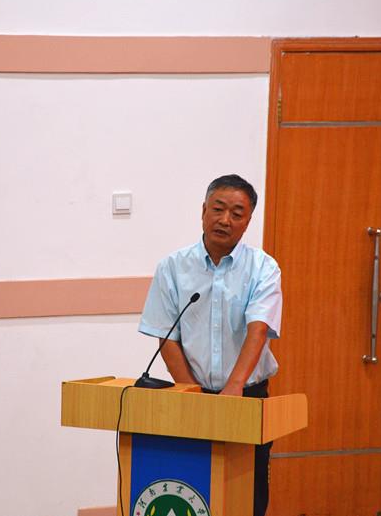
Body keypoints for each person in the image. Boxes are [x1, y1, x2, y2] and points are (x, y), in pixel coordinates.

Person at [138, 174, 282, 516]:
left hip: (246, 398)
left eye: (237, 213)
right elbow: (167, 335)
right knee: (193, 493)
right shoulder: (173, 267)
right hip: (192, 398)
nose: (225, 220)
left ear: (248, 221)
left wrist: (233, 389)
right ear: (203, 211)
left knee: (246, 500)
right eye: (218, 209)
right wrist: (192, 392)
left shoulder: (263, 268)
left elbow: (258, 330)